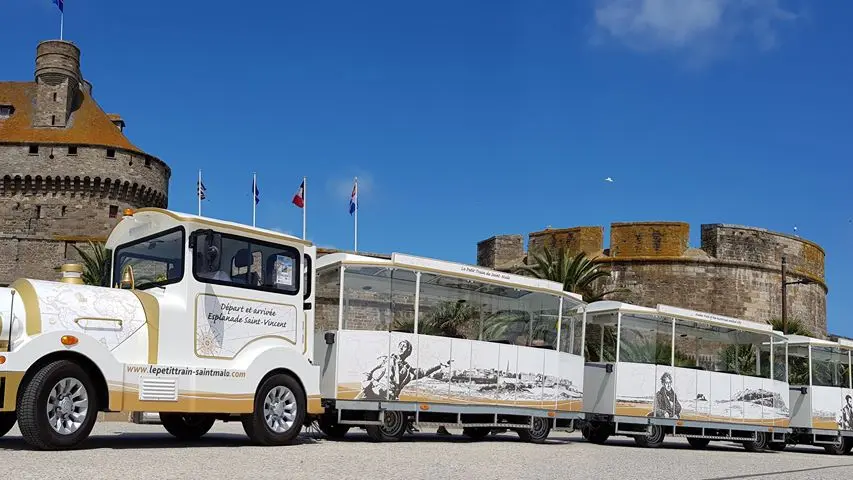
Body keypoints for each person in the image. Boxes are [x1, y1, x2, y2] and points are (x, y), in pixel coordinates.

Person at [357, 339, 451, 401]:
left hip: (389, 397)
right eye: (400, 345)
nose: (401, 347)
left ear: (408, 351)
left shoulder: (408, 370)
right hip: (373, 392)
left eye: (404, 346)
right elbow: (369, 370)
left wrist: (439, 365)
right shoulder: (386, 359)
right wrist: (365, 382)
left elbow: (423, 372)